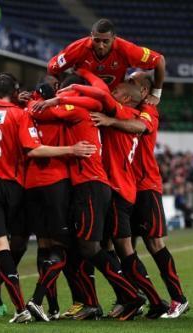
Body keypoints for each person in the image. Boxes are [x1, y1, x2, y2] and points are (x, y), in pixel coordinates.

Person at [0, 72, 97, 323]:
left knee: (1, 245)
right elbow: (33, 148)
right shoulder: (23, 114)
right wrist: (71, 149)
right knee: (44, 245)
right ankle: (31, 305)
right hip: (18, 186)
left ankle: (9, 303)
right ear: (16, 92)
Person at [31, 73, 145, 321]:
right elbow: (98, 94)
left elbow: (41, 113)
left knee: (90, 247)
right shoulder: (89, 108)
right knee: (85, 247)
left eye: (67, 91)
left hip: (90, 185)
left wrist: (40, 99)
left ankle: (131, 296)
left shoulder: (78, 111)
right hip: (89, 185)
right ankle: (99, 301)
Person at [62, 68, 169, 319]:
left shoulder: (121, 111)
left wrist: (79, 75)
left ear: (126, 98)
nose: (115, 89)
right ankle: (129, 298)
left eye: (120, 88)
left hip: (118, 188)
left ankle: (147, 299)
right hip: (123, 188)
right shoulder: (126, 113)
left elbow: (101, 92)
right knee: (110, 245)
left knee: (120, 248)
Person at [88, 71, 190, 319]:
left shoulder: (147, 110)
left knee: (154, 243)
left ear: (144, 91)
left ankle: (178, 298)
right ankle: (130, 297)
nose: (125, 83)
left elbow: (141, 126)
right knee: (122, 244)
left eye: (132, 81)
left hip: (146, 185)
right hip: (128, 186)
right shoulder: (126, 108)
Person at [47, 18, 165, 105]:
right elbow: (53, 68)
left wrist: (156, 95)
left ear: (114, 38)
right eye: (97, 41)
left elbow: (159, 60)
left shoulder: (128, 50)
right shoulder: (77, 48)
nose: (101, 46)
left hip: (113, 99)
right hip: (82, 98)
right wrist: (57, 88)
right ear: (91, 36)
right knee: (72, 80)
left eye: (105, 41)